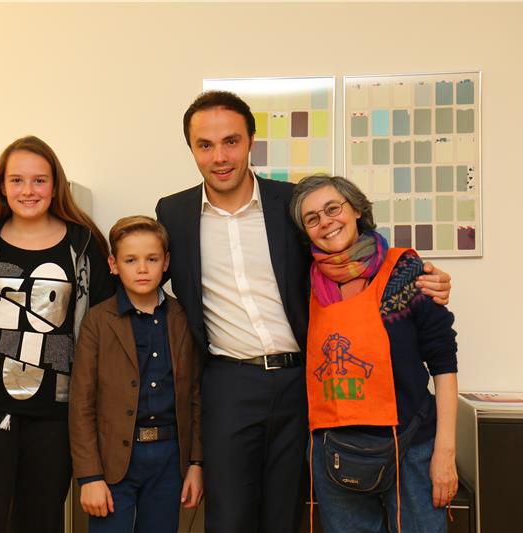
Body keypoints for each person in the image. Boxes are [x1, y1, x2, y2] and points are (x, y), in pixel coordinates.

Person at [155, 90, 453, 533]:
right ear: (191, 149)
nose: (219, 156)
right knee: (229, 518)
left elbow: (350, 251)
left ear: (251, 141)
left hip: (302, 383)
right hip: (228, 382)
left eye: (231, 141)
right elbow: (144, 273)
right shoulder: (173, 212)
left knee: (287, 514)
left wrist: (422, 277)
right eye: (205, 145)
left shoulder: (291, 204)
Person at [0, 135, 114, 533]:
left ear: (55, 185)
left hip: (55, 420)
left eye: (39, 180)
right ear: (1, 186)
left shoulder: (83, 246)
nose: (28, 190)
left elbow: (104, 340)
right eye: (17, 180)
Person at [290, 174, 458, 533]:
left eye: (333, 209)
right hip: (334, 451)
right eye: (312, 218)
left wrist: (445, 451)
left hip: (412, 447)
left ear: (356, 210)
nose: (326, 222)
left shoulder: (406, 273)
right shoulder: (304, 285)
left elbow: (443, 361)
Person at [69, 215, 204, 533]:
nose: (142, 269)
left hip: (169, 459)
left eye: (151, 259)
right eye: (131, 260)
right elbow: (81, 404)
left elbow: (196, 396)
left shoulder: (183, 317)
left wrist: (196, 464)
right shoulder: (97, 321)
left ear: (166, 262)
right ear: (114, 265)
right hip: (112, 462)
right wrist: (89, 476)